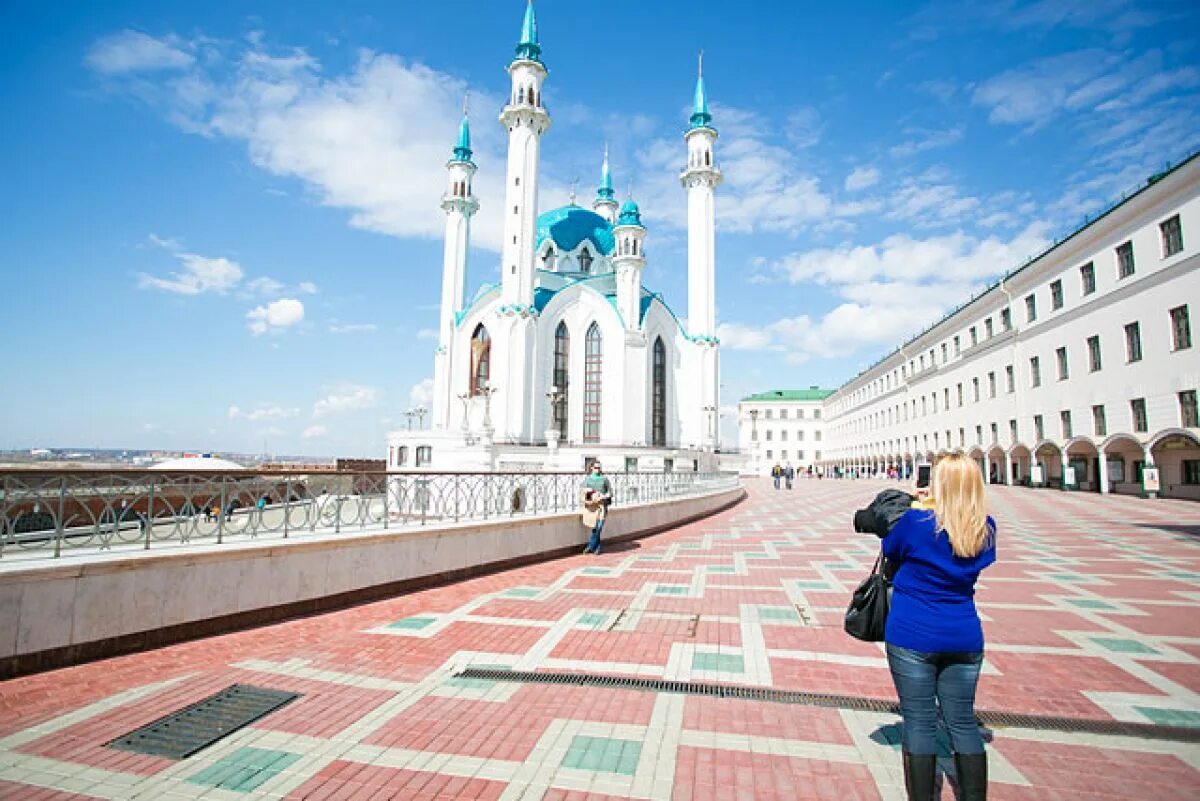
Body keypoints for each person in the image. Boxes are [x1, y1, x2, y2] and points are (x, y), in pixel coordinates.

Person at [881, 452, 995, 800]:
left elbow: (891, 548)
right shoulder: (985, 527)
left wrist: (917, 505)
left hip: (912, 633)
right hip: (964, 635)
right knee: (963, 722)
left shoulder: (917, 524)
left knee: (919, 723)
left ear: (939, 485)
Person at [580, 462, 612, 555]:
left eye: (599, 467)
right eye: (596, 467)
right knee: (595, 527)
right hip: (592, 506)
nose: (598, 469)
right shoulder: (588, 479)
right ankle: (597, 547)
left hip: (602, 506)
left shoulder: (604, 479)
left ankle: (590, 546)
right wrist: (591, 495)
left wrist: (603, 496)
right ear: (591, 468)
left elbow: (610, 492)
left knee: (599, 526)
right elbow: (583, 490)